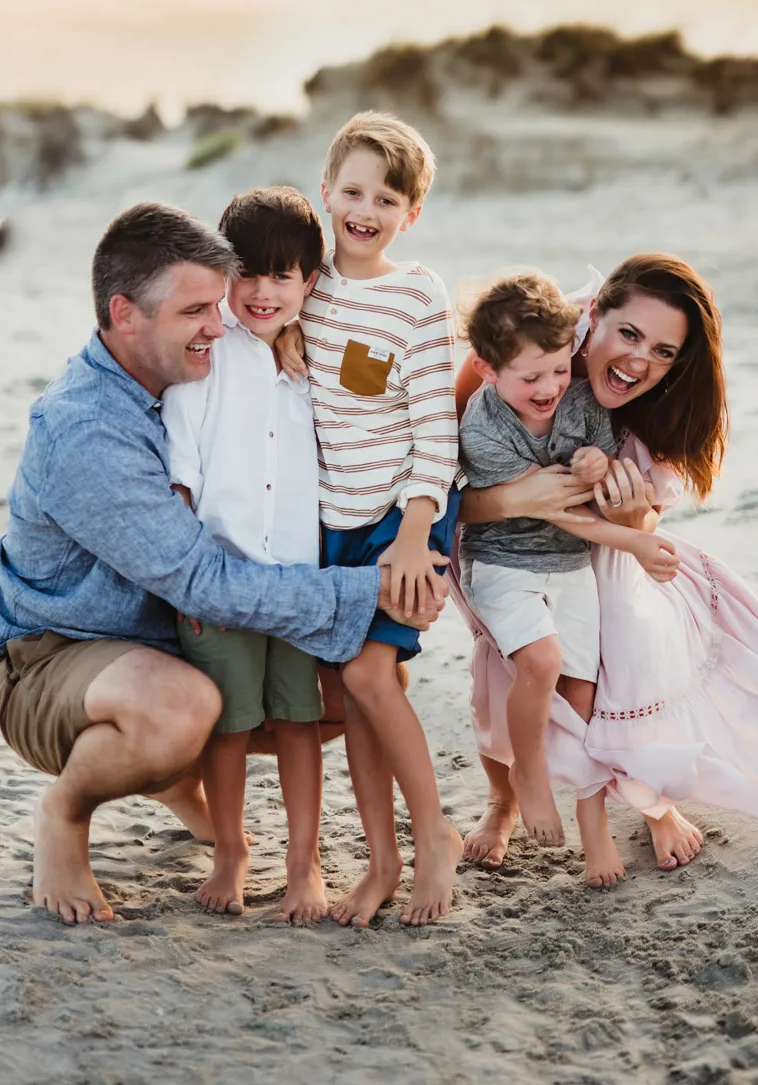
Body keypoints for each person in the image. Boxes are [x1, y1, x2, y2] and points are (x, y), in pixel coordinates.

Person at [0, 201, 439, 926]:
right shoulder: (87, 431)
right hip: (52, 660)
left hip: (161, 643)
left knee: (355, 688)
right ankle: (63, 815)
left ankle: (170, 777)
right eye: (196, 310)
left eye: (215, 302)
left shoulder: (199, 373)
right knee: (182, 710)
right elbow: (204, 583)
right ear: (125, 315)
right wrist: (369, 589)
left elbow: (388, 403)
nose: (219, 323)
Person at [454, 253, 758, 886]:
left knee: (625, 636)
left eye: (662, 352)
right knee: (513, 664)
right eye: (628, 335)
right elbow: (442, 488)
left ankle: (649, 795)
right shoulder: (523, 340)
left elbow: (645, 517)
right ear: (591, 317)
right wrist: (520, 498)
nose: (638, 361)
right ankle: (505, 798)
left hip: (595, 540)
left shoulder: (648, 403)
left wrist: (631, 526)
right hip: (498, 544)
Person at [457, 271, 680, 870]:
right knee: (541, 663)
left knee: (581, 691)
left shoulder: (579, 395)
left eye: (559, 370)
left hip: (571, 565)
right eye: (532, 378)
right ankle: (524, 778)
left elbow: (598, 465)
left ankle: (591, 815)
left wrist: (594, 460)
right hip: (504, 564)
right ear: (487, 370)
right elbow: (555, 508)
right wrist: (628, 542)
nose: (552, 387)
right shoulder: (483, 426)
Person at [301, 111, 463, 927]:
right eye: (353, 191)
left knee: (367, 675)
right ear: (326, 191)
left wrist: (413, 529)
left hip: (403, 514)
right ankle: (382, 861)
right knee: (356, 685)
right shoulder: (307, 287)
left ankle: (433, 837)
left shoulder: (415, 294)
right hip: (329, 520)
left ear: (411, 214)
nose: (366, 210)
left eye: (387, 198)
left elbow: (437, 428)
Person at [163, 187, 329, 924]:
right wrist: (187, 588)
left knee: (298, 721)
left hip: (297, 579)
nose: (263, 291)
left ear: (309, 284)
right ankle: (230, 848)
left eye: (282, 276)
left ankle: (304, 861)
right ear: (222, 273)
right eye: (248, 274)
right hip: (221, 579)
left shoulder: (309, 362)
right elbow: (181, 481)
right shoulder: (204, 358)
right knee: (228, 725)